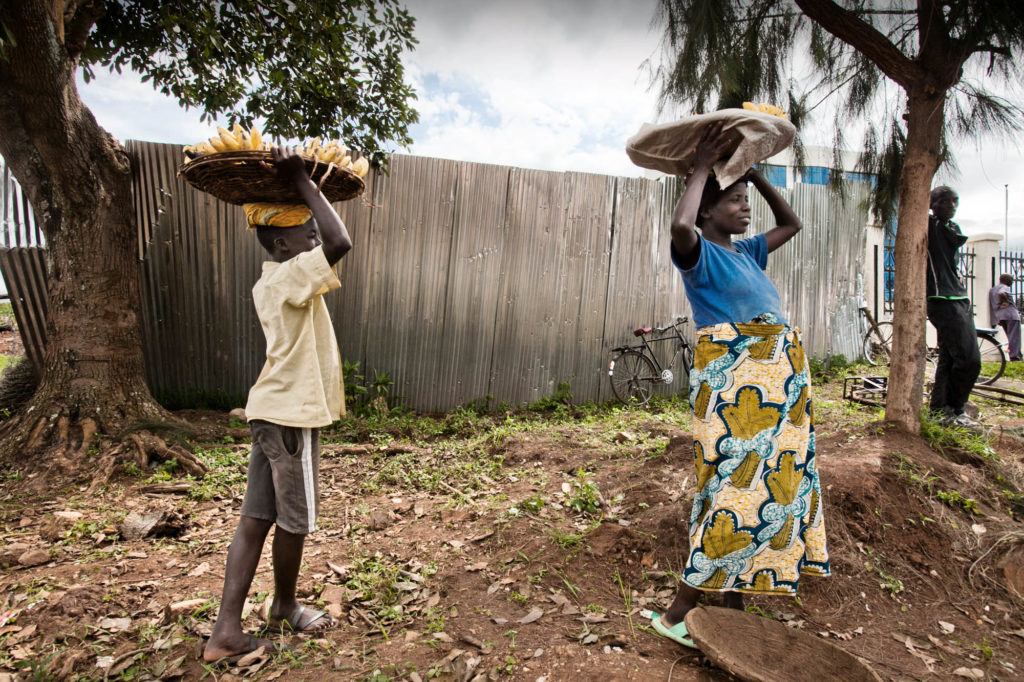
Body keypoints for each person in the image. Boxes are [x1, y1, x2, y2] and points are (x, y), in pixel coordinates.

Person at [650, 122, 829, 649]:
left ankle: (734, 603)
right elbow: (680, 228)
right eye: (734, 200)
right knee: (736, 487)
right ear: (707, 210)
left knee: (770, 480)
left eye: (746, 199)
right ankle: (676, 612)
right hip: (736, 380)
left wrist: (754, 174)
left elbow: (792, 223)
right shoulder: (699, 254)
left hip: (779, 381)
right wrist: (703, 167)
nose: (745, 207)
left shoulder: (747, 253)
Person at [203, 145, 352, 664]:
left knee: (255, 519)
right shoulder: (288, 277)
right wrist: (301, 180)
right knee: (294, 519)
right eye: (306, 235)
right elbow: (341, 239)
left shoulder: (277, 282)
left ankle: (227, 630)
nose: (316, 241)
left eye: (313, 233)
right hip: (290, 417)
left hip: (271, 413)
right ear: (284, 243)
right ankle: (284, 605)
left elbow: (329, 239)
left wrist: (303, 194)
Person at [926, 186, 981, 425]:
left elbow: (955, 239)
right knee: (970, 360)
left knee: (949, 359)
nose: (952, 206)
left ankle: (941, 411)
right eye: (945, 201)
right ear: (932, 204)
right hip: (942, 299)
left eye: (955, 202)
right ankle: (956, 406)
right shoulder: (928, 225)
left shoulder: (950, 229)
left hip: (959, 298)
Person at [990, 273, 1022, 362]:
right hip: (1011, 315)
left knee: (1010, 337)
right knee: (1014, 337)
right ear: (1007, 280)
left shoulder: (993, 290)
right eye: (1011, 280)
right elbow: (1002, 293)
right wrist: (1005, 302)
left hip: (1000, 316)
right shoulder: (1004, 287)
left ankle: (1017, 355)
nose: (1012, 282)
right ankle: (1015, 357)